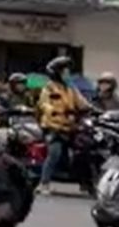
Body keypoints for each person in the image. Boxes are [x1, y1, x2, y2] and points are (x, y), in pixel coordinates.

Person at [37, 56, 92, 195]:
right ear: (57, 72)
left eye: (68, 71)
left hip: (71, 127)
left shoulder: (71, 88)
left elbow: (82, 102)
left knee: (84, 150)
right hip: (54, 127)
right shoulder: (49, 88)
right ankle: (44, 183)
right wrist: (55, 110)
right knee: (54, 153)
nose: (68, 74)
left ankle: (86, 184)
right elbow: (44, 104)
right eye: (65, 71)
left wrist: (91, 108)